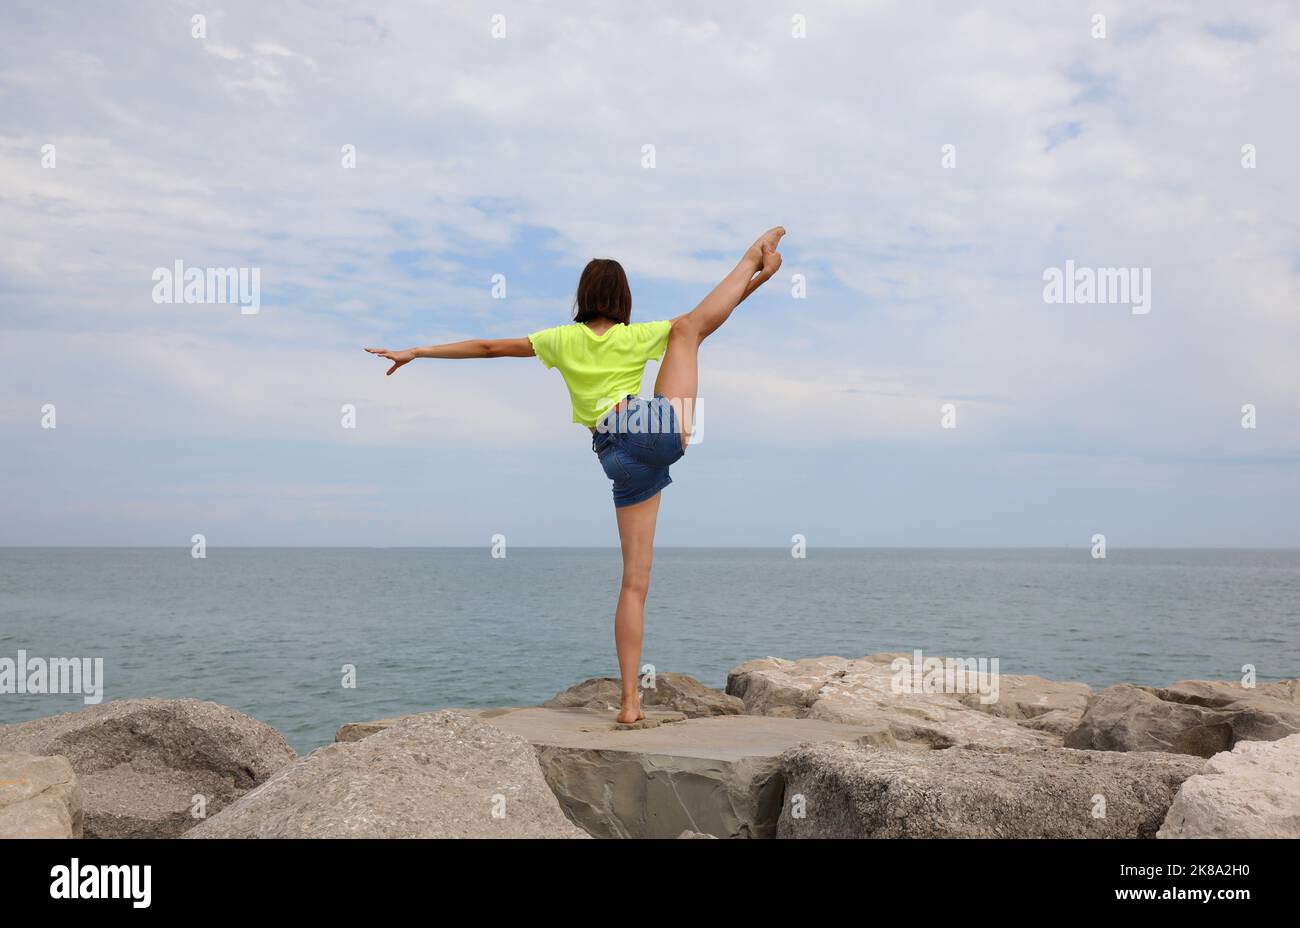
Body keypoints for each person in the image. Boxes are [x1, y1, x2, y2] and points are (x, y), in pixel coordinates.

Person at [367, 227, 785, 722]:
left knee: (633, 584)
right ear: (624, 299)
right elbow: (702, 323)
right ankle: (748, 256)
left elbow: (485, 348)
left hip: (615, 456)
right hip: (652, 433)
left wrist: (416, 352)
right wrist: (755, 276)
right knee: (688, 328)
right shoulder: (636, 335)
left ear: (583, 299)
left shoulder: (561, 340)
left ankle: (630, 703)